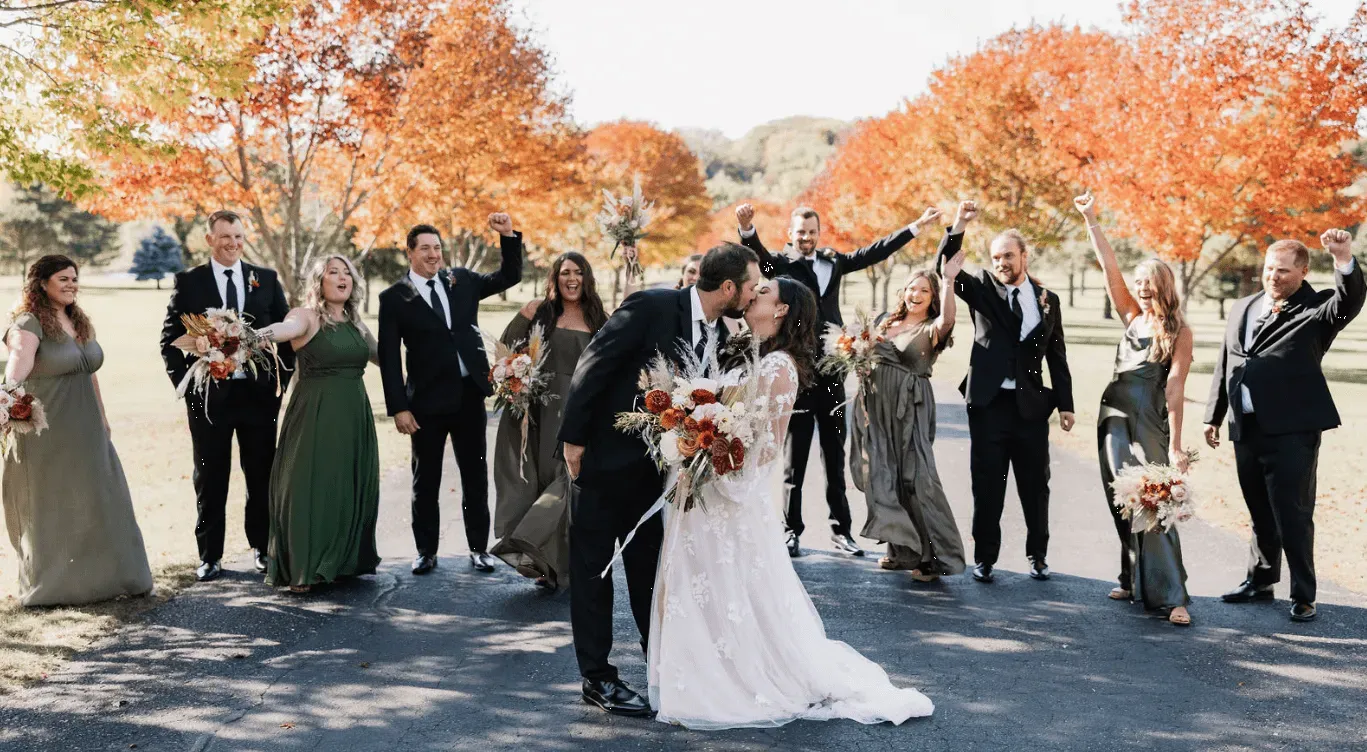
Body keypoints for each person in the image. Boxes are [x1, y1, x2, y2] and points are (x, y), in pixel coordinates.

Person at [649, 276, 934, 729]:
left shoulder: (779, 365)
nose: (752, 294)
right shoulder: (743, 349)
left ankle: (732, 678)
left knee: (728, 585)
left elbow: (766, 447)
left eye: (762, 292)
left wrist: (717, 464)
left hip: (732, 496)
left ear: (780, 310)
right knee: (710, 585)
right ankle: (701, 671)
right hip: (711, 486)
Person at [559, 242, 758, 717]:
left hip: (657, 475)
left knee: (650, 572)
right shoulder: (650, 306)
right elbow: (594, 364)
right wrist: (573, 441)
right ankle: (598, 678)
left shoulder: (719, 330)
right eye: (750, 285)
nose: (754, 293)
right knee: (593, 571)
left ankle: (661, 666)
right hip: (603, 461)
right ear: (727, 287)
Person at [735, 203, 944, 558]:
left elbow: (873, 252)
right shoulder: (780, 266)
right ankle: (792, 530)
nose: (806, 237)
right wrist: (747, 229)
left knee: (835, 454)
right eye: (800, 232)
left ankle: (841, 531)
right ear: (791, 234)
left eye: (812, 231)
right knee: (794, 457)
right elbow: (759, 257)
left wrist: (914, 228)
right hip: (795, 370)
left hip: (832, 370)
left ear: (819, 233)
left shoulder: (834, 261)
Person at [1204, 228, 1364, 622]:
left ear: (1304, 272)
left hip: (1293, 431)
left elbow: (1350, 300)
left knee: (1292, 513)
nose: (1274, 277)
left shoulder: (1318, 309)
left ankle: (1304, 594)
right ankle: (1260, 581)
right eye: (1270, 269)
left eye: (1284, 272)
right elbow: (1227, 362)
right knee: (1258, 510)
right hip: (1247, 427)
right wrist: (1214, 415)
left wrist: (1343, 258)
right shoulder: (1242, 307)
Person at [3, 255, 154, 606]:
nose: (72, 284)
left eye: (75, 278)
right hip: (48, 430)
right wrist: (6, 396)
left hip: (87, 426)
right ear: (41, 283)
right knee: (54, 503)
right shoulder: (28, 322)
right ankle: (53, 587)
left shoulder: (77, 320)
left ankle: (112, 580)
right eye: (63, 279)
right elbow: (16, 368)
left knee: (101, 497)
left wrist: (102, 419)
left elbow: (89, 372)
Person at [936, 200, 1074, 584]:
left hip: (1030, 408)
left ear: (1024, 256)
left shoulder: (1049, 302)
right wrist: (959, 224)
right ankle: (985, 558)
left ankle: (1038, 556)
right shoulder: (981, 289)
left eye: (1009, 256)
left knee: (1035, 486)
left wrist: (1066, 404)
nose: (1002, 263)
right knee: (987, 485)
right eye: (996, 257)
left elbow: (1057, 355)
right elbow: (945, 264)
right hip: (988, 406)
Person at [378, 213, 523, 576]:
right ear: (409, 253)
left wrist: (508, 237)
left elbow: (509, 277)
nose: (433, 255)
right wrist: (399, 408)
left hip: (469, 396)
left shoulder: (462, 280)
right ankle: (426, 551)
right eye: (425, 248)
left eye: (437, 248)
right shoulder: (394, 298)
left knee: (475, 475)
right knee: (424, 480)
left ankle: (478, 549)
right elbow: (389, 357)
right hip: (425, 403)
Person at [1076, 193, 1194, 626]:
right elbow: (1109, 269)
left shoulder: (1179, 331)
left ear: (1164, 286)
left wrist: (1178, 445)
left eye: (1149, 283)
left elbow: (1176, 386)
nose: (1142, 290)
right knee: (1121, 501)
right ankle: (1130, 576)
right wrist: (1091, 219)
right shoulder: (1130, 316)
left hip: (1149, 423)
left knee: (1153, 500)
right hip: (1112, 417)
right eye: (1139, 283)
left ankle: (1174, 595)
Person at [159, 210, 294, 582]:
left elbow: (285, 334)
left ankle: (263, 550)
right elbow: (169, 340)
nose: (233, 243)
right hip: (209, 402)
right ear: (209, 240)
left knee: (261, 476)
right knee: (210, 477)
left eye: (238, 236)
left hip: (258, 400)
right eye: (225, 237)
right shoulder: (189, 282)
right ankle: (210, 556)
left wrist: (278, 383)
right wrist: (188, 386)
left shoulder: (264, 279)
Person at [249, 255, 381, 593]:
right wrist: (252, 336)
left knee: (346, 484)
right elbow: (284, 330)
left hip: (354, 414)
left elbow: (382, 355)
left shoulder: (356, 322)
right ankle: (304, 566)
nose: (342, 277)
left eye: (346, 272)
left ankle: (341, 561)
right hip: (317, 414)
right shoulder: (304, 316)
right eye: (333, 272)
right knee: (310, 484)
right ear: (319, 282)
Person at [491, 251, 608, 590]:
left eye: (578, 272)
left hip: (581, 410)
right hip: (542, 409)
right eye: (564, 272)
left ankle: (544, 548)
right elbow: (508, 350)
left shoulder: (599, 317)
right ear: (555, 278)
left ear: (587, 278)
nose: (571, 279)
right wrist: (521, 315)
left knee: (568, 481)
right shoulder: (541, 313)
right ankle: (548, 565)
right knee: (542, 480)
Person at [849, 255, 967, 581]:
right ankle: (901, 551)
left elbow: (948, 320)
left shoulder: (932, 329)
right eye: (912, 288)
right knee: (887, 473)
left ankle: (933, 557)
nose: (915, 294)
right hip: (877, 407)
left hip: (910, 410)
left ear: (933, 298)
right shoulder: (886, 321)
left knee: (917, 479)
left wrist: (950, 280)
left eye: (924, 291)